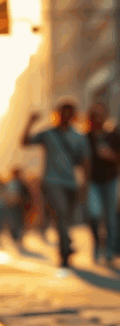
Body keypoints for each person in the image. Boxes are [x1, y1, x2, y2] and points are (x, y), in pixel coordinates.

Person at [21, 101, 90, 267]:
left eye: (69, 113)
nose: (66, 116)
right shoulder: (47, 134)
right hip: (52, 182)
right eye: (63, 112)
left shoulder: (79, 136)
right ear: (57, 114)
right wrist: (30, 122)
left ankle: (66, 244)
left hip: (71, 183)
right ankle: (65, 250)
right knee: (61, 213)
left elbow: (86, 161)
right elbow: (25, 142)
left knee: (66, 217)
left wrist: (85, 184)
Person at [84, 102, 120, 264]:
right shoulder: (85, 137)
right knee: (94, 214)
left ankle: (109, 251)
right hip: (92, 181)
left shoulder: (113, 136)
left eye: (99, 117)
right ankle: (98, 244)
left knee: (110, 217)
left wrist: (110, 155)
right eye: (93, 117)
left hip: (111, 180)